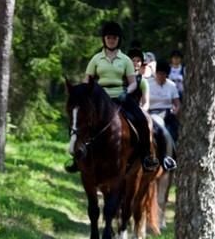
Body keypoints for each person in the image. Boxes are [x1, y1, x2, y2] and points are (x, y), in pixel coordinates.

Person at [66, 21, 159, 173]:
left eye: (114, 38)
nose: (111, 40)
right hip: (99, 98)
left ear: (118, 40)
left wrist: (126, 92)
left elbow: (133, 83)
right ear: (104, 39)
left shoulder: (126, 60)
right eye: (108, 37)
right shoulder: (96, 59)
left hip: (120, 96)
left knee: (142, 119)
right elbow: (87, 80)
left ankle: (146, 156)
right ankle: (77, 157)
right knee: (79, 120)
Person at [148, 58, 180, 158]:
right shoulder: (148, 84)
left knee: (171, 134)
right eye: (159, 73)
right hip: (151, 113)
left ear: (167, 74)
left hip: (167, 114)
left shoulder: (171, 85)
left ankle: (170, 157)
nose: (161, 76)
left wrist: (175, 111)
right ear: (156, 73)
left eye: (163, 74)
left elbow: (177, 104)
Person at [127, 47, 150, 112]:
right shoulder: (121, 77)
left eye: (138, 61)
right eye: (133, 60)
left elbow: (146, 103)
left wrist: (142, 111)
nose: (136, 63)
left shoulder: (143, 81)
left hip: (135, 110)